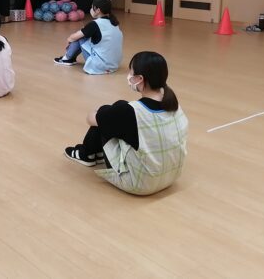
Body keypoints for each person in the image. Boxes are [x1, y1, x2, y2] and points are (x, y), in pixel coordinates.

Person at [64, 51, 188, 196]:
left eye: (131, 72)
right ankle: (93, 152)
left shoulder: (131, 112)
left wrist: (102, 112)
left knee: (109, 114)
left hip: (141, 183)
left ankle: (86, 154)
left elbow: (90, 119)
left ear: (140, 79)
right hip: (171, 176)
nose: (129, 76)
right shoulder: (173, 104)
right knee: (116, 112)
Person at [54, 0, 123, 74]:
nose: (91, 9)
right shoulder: (114, 23)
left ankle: (67, 59)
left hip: (100, 66)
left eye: (92, 7)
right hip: (114, 66)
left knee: (80, 37)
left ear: (98, 10)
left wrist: (69, 40)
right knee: (85, 35)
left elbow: (72, 38)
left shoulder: (95, 24)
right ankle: (68, 58)